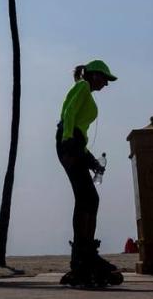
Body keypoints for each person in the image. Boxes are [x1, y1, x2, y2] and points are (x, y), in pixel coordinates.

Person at [56, 59, 123, 287]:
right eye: (105, 78)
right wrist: (67, 141)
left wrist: (90, 159)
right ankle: (84, 255)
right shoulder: (82, 87)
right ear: (94, 75)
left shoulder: (87, 91)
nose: (107, 83)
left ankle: (84, 254)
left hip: (75, 144)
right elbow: (69, 113)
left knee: (88, 199)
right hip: (68, 142)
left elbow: (79, 129)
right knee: (88, 198)